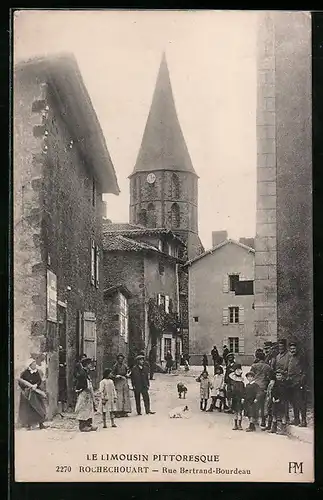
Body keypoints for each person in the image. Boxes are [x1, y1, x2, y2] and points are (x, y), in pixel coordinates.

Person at [17, 358, 47, 430]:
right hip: (27, 393)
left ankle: (41, 423)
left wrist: (36, 385)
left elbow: (39, 380)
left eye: (35, 364)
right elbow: (21, 382)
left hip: (35, 393)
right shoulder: (25, 373)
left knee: (39, 407)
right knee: (28, 409)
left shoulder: (36, 372)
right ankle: (28, 424)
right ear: (30, 365)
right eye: (33, 364)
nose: (35, 365)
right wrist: (26, 388)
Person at [250, 350, 274, 429]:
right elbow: (270, 377)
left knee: (254, 404)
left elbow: (251, 376)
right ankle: (263, 422)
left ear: (257, 357)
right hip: (263, 386)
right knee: (263, 405)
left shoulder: (254, 366)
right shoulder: (267, 367)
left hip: (255, 386)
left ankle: (253, 422)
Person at [286, 341, 307, 427]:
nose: (292, 350)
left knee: (301, 402)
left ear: (297, 348)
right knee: (294, 402)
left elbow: (305, 371)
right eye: (291, 349)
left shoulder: (301, 357)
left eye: (294, 348)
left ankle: (304, 421)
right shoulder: (290, 357)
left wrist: (301, 381)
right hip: (291, 382)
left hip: (299, 383)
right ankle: (296, 419)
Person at [74, 357, 97, 432]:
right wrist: (83, 388)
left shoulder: (86, 372)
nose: (91, 365)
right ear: (86, 365)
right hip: (84, 392)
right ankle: (82, 426)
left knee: (89, 409)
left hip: (88, 393)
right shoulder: (82, 373)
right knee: (83, 409)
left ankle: (88, 424)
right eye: (90, 364)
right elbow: (80, 383)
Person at [270, 369, 288, 434]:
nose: (278, 377)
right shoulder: (275, 383)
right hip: (275, 401)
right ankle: (274, 428)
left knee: (283, 414)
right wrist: (273, 398)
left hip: (282, 401)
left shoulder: (284, 383)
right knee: (274, 414)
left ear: (282, 376)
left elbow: (285, 393)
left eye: (280, 375)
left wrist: (279, 399)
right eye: (277, 375)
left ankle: (283, 430)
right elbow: (273, 391)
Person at [229, 364, 245, 430]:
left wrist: (243, 398)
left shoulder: (241, 384)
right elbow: (231, 392)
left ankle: (239, 425)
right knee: (236, 412)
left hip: (239, 398)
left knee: (239, 412)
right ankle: (235, 425)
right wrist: (230, 397)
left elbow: (243, 391)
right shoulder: (233, 383)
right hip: (235, 398)